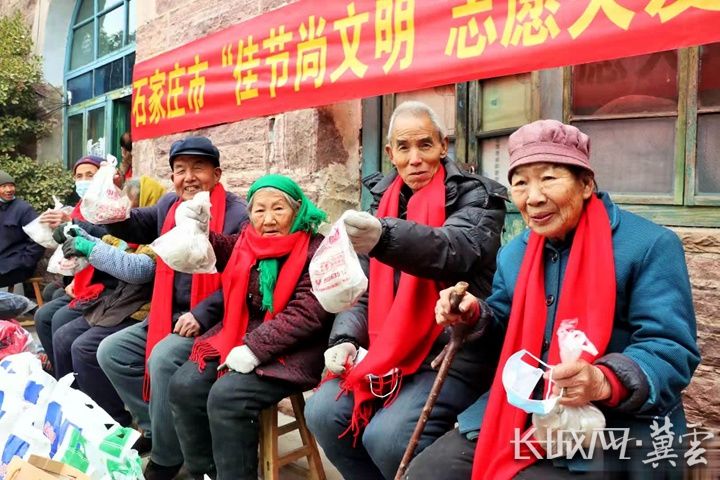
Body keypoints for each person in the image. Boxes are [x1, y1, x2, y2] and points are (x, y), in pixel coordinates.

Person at [408, 119, 700, 479]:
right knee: (428, 472)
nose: (533, 197)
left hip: (614, 421)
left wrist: (603, 380)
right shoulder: (516, 253)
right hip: (525, 408)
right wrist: (473, 315)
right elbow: (504, 321)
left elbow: (669, 347)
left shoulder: (649, 246)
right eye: (520, 183)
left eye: (548, 178)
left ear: (586, 183)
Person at [304, 101, 507, 480]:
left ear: (443, 146)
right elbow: (362, 286)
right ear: (390, 153)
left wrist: (384, 236)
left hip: (450, 349)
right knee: (323, 413)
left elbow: (452, 249)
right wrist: (345, 338)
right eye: (404, 147)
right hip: (387, 349)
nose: (415, 159)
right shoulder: (383, 201)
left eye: (425, 145)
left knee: (388, 437)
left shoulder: (478, 197)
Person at [97, 136, 247, 480]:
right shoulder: (169, 206)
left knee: (163, 358)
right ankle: (159, 427)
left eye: (198, 168)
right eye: (180, 170)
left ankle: (166, 458)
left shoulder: (237, 214)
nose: (189, 177)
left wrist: (203, 313)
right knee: (112, 351)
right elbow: (133, 224)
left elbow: (244, 277)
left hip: (216, 321)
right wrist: (110, 204)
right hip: (169, 313)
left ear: (217, 173)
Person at [167, 174, 333, 480]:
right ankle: (205, 473)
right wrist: (201, 231)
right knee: (184, 385)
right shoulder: (248, 240)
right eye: (259, 210)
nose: (268, 219)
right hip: (241, 336)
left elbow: (307, 315)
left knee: (227, 397)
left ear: (297, 211)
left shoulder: (317, 250)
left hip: (294, 350)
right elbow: (225, 249)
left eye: (279, 209)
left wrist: (255, 348)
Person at [50, 177, 165, 428]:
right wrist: (77, 232)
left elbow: (138, 268)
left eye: (135, 208)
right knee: (62, 334)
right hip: (123, 301)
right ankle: (77, 406)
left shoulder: (162, 234)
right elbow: (109, 240)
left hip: (143, 308)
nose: (130, 215)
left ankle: (113, 422)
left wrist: (88, 247)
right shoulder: (128, 230)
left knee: (84, 347)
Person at [34, 155, 108, 363]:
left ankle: (68, 377)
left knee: (55, 318)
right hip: (83, 277)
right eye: (79, 176)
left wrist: (71, 223)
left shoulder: (110, 206)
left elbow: (107, 242)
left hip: (104, 282)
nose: (83, 181)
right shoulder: (81, 206)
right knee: (46, 310)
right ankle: (57, 367)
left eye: (89, 175)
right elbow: (72, 251)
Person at [0, 170, 45, 291]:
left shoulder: (23, 209)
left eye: (11, 185)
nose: (9, 189)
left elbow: (39, 238)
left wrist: (25, 262)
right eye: (4, 186)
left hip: (16, 266)